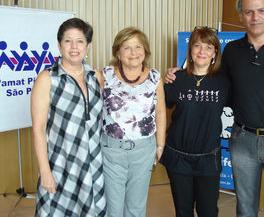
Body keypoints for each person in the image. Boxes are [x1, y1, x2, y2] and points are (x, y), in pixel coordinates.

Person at [165, 0, 264, 217]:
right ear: (241, 17)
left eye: (261, 10)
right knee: (245, 209)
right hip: (242, 140)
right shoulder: (232, 51)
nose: (255, 17)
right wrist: (175, 73)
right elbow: (218, 85)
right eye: (249, 11)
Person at [31, 18, 106, 216]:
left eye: (80, 41)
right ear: (59, 45)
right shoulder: (47, 79)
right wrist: (45, 171)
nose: (74, 47)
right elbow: (38, 130)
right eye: (68, 41)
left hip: (93, 162)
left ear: (88, 46)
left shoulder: (95, 76)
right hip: (60, 164)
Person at [160, 27, 230, 217]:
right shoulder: (176, 79)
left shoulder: (224, 81)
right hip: (178, 155)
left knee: (208, 211)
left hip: (208, 157)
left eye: (208, 47)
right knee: (183, 211)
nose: (202, 51)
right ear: (190, 50)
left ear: (215, 52)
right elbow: (159, 110)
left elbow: (246, 105)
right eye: (197, 46)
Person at [98, 27, 166, 217]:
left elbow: (160, 112)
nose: (133, 53)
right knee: (113, 206)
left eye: (138, 47)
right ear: (118, 52)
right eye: (126, 47)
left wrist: (160, 146)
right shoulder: (105, 76)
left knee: (136, 206)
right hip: (111, 150)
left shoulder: (155, 78)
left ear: (145, 51)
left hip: (144, 149)